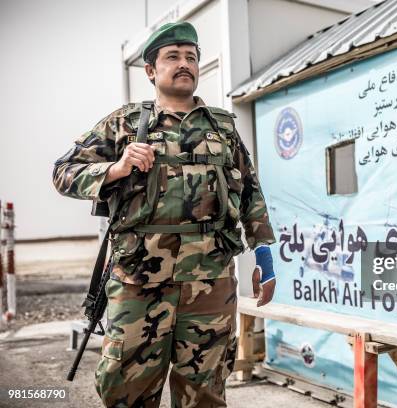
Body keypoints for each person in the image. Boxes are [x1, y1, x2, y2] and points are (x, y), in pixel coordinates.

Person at [52, 21, 277, 407]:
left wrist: (264, 254)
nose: (184, 63)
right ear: (152, 71)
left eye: (191, 57)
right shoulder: (123, 124)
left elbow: (250, 190)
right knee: (127, 390)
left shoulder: (222, 128)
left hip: (211, 282)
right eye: (172, 56)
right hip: (139, 281)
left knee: (206, 390)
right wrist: (114, 168)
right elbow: (63, 171)